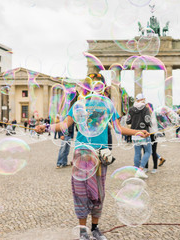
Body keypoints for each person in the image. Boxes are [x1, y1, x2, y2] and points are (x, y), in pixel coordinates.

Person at [35, 73, 149, 240]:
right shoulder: (78, 105)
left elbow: (118, 128)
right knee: (81, 192)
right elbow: (65, 125)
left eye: (96, 85)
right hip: (82, 153)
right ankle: (82, 231)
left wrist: (137, 132)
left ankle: (95, 228)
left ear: (102, 87)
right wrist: (45, 127)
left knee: (99, 192)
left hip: (101, 154)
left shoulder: (108, 104)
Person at [126, 93, 151, 178]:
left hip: (134, 133)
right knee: (148, 151)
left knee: (137, 153)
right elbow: (147, 121)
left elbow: (128, 121)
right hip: (144, 133)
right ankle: (140, 169)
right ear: (142, 99)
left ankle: (136, 171)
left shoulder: (131, 109)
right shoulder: (145, 108)